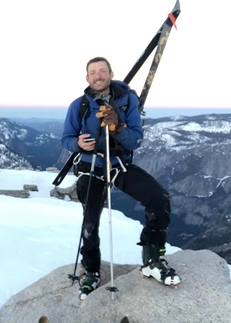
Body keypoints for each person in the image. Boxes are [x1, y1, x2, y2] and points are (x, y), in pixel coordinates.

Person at [61, 57, 181, 299]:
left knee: (159, 199)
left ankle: (152, 261)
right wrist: (77, 143)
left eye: (102, 71)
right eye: (93, 72)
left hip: (118, 164)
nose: (98, 76)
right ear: (87, 78)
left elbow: (136, 139)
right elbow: (66, 138)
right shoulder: (79, 105)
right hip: (90, 165)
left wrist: (118, 129)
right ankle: (92, 270)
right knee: (90, 221)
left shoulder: (128, 102)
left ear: (110, 74)